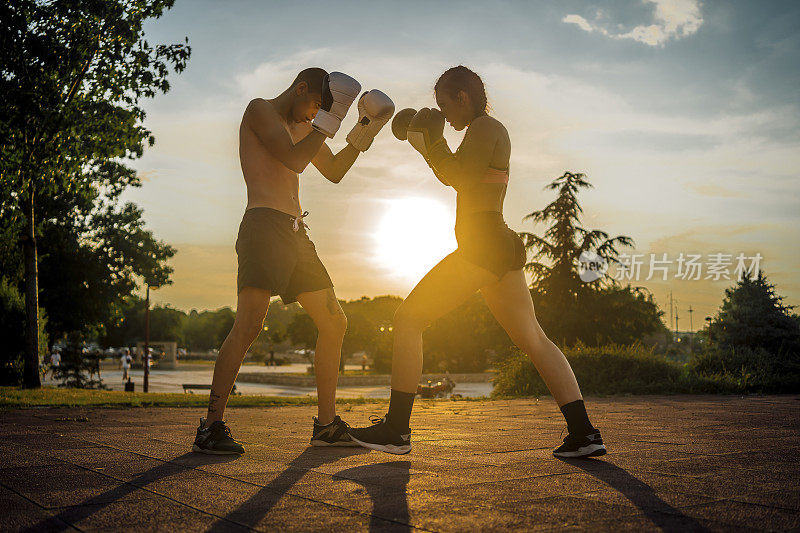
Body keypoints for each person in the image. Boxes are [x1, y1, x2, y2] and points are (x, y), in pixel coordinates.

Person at [349, 66, 606, 459]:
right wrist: (428, 143)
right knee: (533, 339)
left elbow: (461, 177)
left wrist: (429, 143)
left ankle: (397, 429)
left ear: (462, 98)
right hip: (495, 247)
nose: (445, 115)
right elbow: (457, 173)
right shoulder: (480, 132)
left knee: (408, 318)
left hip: (483, 246)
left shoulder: (485, 128)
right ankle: (584, 433)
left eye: (444, 105)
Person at [192, 68, 395, 455]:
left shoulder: (307, 127)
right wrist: (329, 121)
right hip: (263, 225)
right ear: (300, 89)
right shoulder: (260, 111)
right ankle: (211, 426)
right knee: (250, 324)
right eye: (315, 107)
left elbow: (333, 172)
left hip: (297, 232)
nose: (313, 116)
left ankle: (325, 425)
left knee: (335, 320)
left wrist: (363, 132)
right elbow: (293, 160)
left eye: (321, 111)